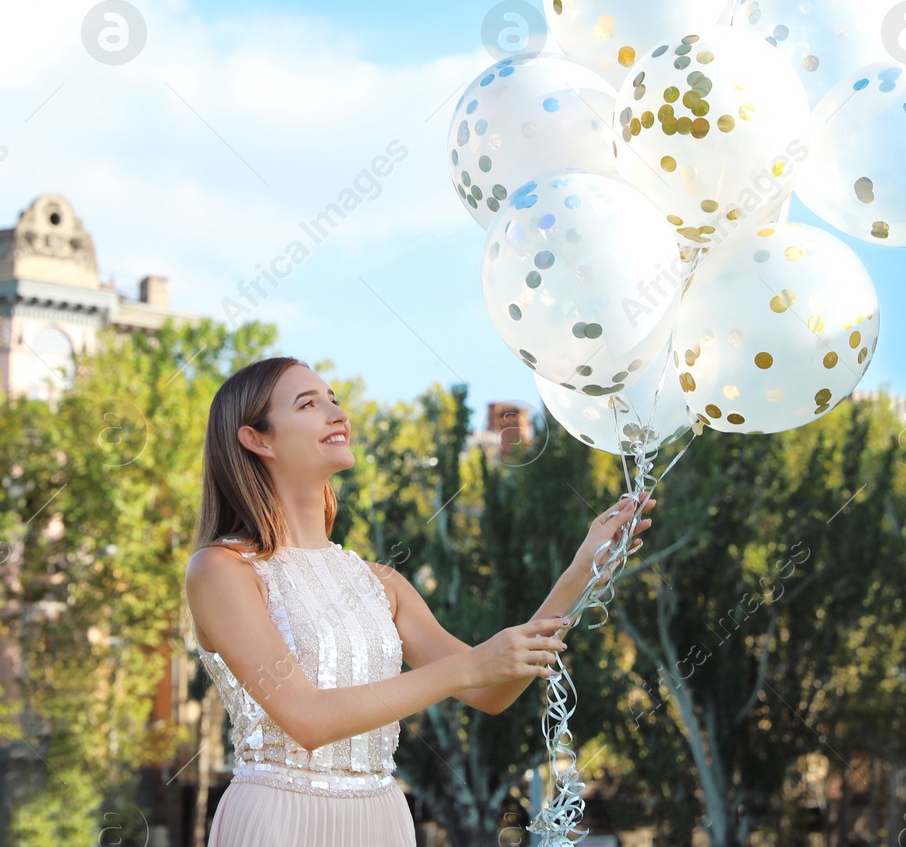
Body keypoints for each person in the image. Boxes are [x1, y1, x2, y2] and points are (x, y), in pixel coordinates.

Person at [185, 357, 655, 846]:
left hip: (383, 821)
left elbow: (491, 690)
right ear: (256, 439)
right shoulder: (222, 571)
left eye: (335, 401)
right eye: (309, 404)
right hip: (279, 822)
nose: (337, 413)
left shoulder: (381, 582)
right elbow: (306, 718)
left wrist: (583, 570)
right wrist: (469, 668)